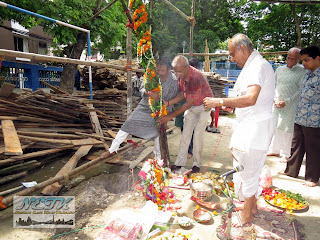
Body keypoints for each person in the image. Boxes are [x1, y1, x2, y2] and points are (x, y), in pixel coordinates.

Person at [204, 33, 275, 226]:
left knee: (248, 172)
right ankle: (251, 207)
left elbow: (251, 98)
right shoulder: (253, 65)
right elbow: (248, 98)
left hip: (255, 127)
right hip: (251, 125)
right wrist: (233, 106)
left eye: (232, 54)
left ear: (243, 49)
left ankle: (247, 215)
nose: (232, 58)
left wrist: (219, 101)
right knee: (248, 168)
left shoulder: (257, 66)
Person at [100, 56, 179, 159]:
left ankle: (158, 159)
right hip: (145, 106)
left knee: (158, 132)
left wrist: (165, 107)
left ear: (169, 70)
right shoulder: (151, 75)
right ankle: (112, 149)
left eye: (162, 70)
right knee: (128, 123)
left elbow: (174, 98)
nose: (159, 72)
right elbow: (142, 89)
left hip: (161, 109)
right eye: (158, 69)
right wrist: (150, 93)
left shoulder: (174, 81)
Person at [158, 55, 213, 173]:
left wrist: (169, 116)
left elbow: (187, 104)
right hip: (193, 106)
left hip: (204, 106)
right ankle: (179, 163)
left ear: (187, 67)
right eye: (175, 71)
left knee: (197, 137)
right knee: (185, 135)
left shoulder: (196, 77)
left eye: (179, 72)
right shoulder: (181, 75)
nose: (177, 75)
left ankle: (196, 165)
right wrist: (167, 103)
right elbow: (183, 94)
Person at [279, 45, 320, 187]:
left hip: (315, 121)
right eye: (302, 61)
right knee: (296, 146)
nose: (304, 64)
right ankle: (291, 171)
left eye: (306, 60)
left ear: (317, 58)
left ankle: (312, 178)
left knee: (313, 149)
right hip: (301, 116)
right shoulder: (307, 73)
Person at [267, 48, 306, 162]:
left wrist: (287, 101)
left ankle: (286, 153)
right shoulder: (280, 69)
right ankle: (275, 149)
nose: (290, 60)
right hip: (277, 103)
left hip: (292, 104)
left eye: (293, 59)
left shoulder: (302, 71)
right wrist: (274, 99)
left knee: (288, 129)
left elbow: (301, 90)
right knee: (276, 126)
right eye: (288, 58)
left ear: (298, 59)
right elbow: (273, 85)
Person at [174, 57, 200, 159]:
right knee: (184, 128)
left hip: (194, 108)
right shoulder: (181, 77)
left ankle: (190, 150)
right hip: (183, 107)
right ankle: (187, 149)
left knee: (192, 130)